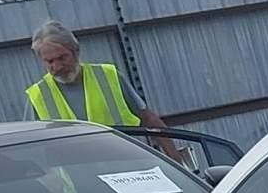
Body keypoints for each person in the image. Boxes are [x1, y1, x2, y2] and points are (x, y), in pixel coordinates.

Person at [21, 20, 165, 131]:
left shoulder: (108, 76)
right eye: (50, 61)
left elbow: (148, 119)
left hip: (128, 166)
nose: (57, 66)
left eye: (62, 58)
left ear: (76, 51)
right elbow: (32, 145)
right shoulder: (37, 97)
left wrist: (175, 159)